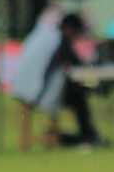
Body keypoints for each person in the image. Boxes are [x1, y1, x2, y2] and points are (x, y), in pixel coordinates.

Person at [13, 10, 101, 149]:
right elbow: (74, 62)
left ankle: (81, 134)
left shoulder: (43, 34)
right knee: (79, 97)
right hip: (38, 92)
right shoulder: (58, 40)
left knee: (76, 95)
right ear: (69, 29)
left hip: (22, 88)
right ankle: (86, 135)